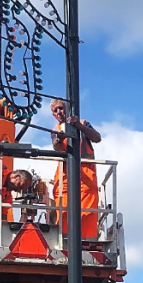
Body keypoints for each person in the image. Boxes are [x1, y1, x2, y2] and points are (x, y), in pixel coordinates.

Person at [50, 98, 102, 239]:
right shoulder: (55, 130)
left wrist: (78, 125)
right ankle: (65, 239)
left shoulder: (84, 123)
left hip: (86, 172)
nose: (59, 112)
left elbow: (97, 138)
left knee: (88, 210)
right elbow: (57, 147)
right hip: (65, 173)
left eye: (60, 108)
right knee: (64, 208)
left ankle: (88, 240)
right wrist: (60, 139)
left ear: (67, 107)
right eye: (55, 111)